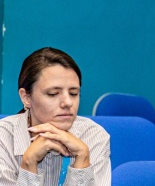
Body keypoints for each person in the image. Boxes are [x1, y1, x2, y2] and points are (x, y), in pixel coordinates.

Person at [0, 47, 111, 186]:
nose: (68, 102)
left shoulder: (94, 136)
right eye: (53, 94)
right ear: (26, 97)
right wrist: (28, 162)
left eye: (74, 93)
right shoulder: (3, 139)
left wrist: (83, 158)